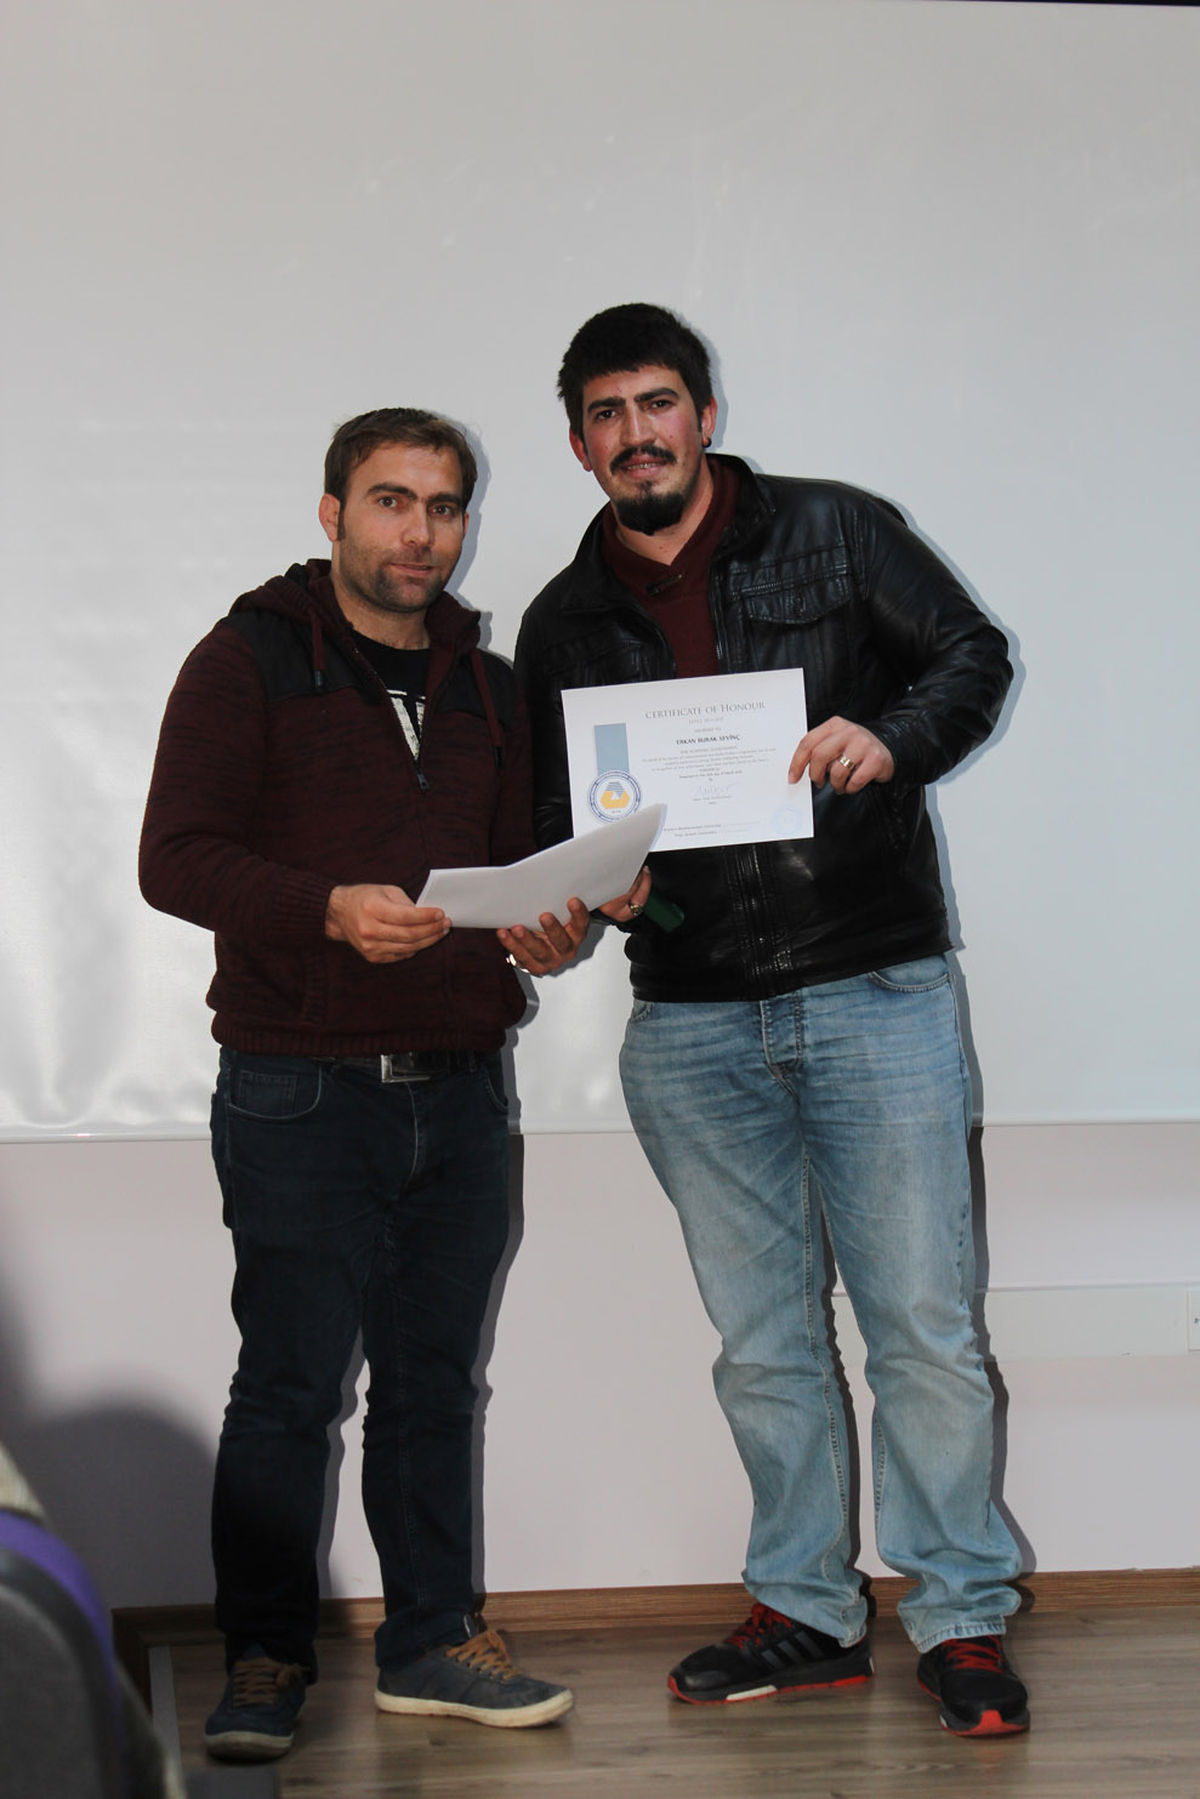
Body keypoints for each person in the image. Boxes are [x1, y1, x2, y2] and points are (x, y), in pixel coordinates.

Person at [515, 305, 1030, 1739]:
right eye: (607, 414)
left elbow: (971, 656)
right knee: (762, 1345)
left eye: (657, 402)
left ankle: (960, 1615)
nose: (637, 434)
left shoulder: (838, 531)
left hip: (874, 983)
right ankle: (808, 1609)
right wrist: (590, 896)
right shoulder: (562, 623)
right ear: (580, 444)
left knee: (923, 1328)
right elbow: (561, 820)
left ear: (704, 412)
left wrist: (892, 737)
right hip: (688, 1018)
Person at [140, 407, 602, 1762]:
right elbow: (175, 857)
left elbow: (511, 869)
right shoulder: (245, 659)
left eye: (445, 507)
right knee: (288, 1390)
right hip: (298, 1087)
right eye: (393, 501)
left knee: (435, 1389)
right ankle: (266, 1659)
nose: (422, 533)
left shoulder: (490, 686)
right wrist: (324, 909)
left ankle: (431, 1643)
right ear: (333, 513)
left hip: (461, 1089)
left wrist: (548, 928)